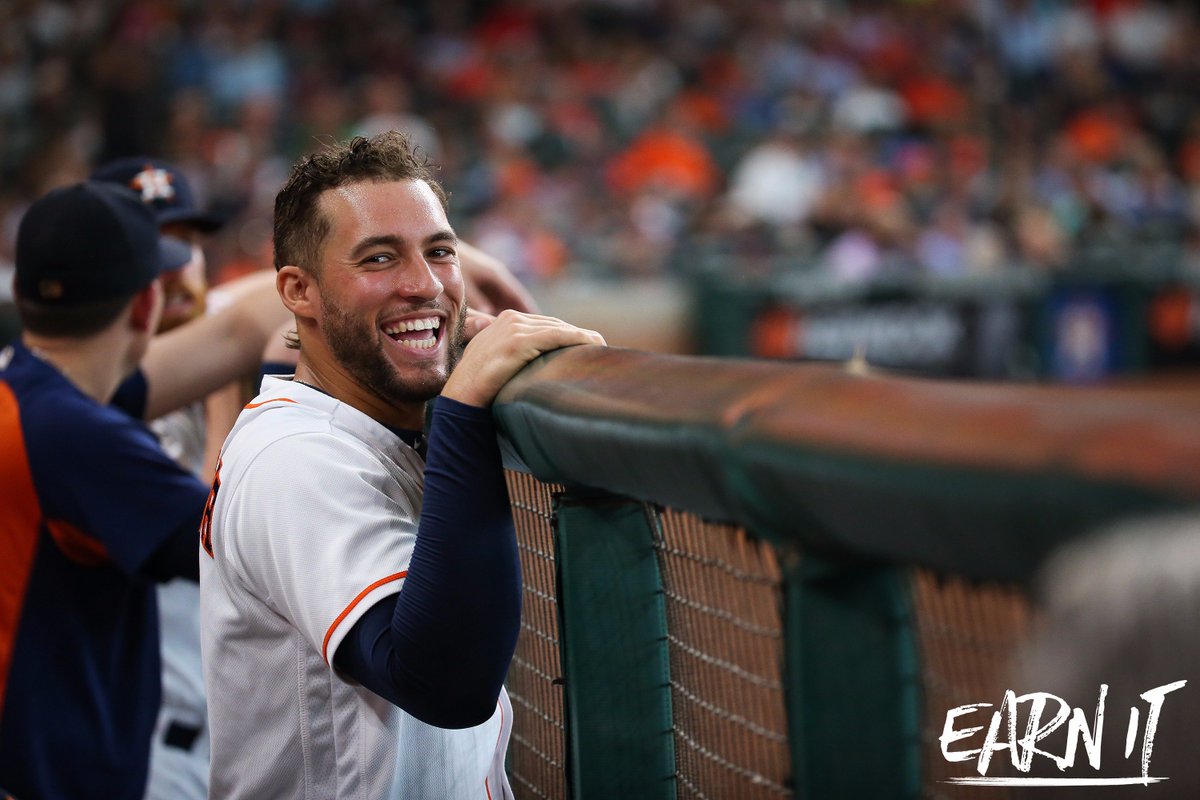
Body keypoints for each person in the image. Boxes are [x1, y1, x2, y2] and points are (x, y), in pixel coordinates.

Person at [199, 130, 604, 798]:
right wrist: (465, 410)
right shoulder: (294, 458)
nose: (425, 284)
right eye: (379, 259)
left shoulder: (371, 426)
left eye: (440, 252)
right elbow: (444, 684)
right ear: (299, 291)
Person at [0, 180, 282, 800]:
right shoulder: (75, 435)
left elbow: (235, 330)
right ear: (145, 304)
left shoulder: (26, 393)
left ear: (23, 293)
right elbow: (248, 543)